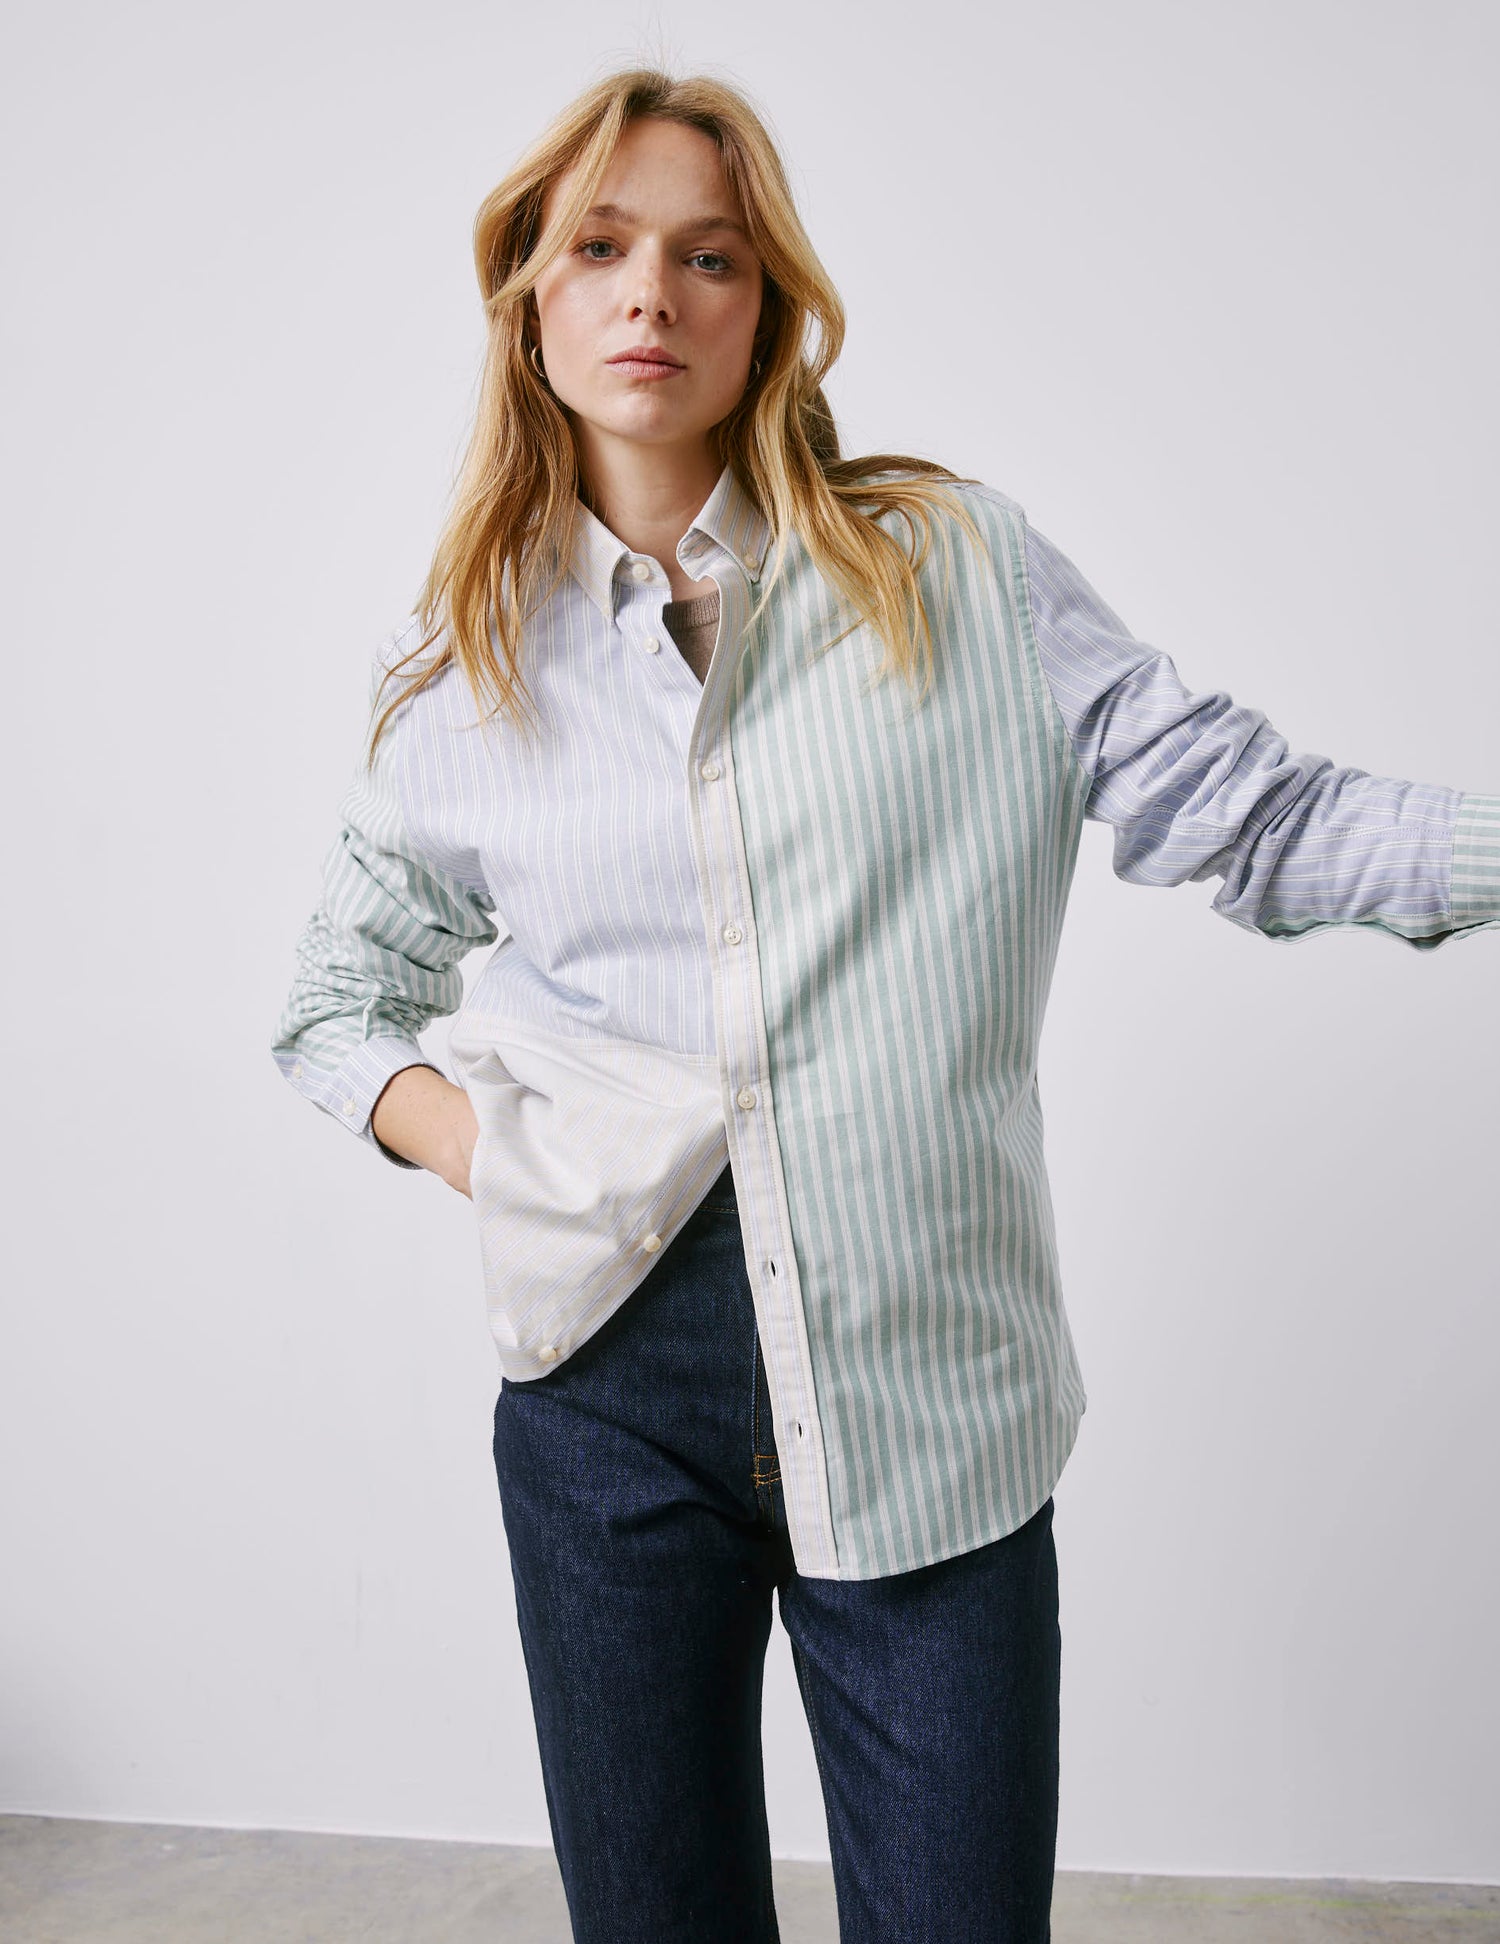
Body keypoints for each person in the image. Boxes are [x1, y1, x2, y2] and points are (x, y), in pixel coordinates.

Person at [270, 66, 1500, 1944]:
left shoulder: (960, 570)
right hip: (608, 1393)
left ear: (769, 306)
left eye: (709, 257)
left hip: (929, 1391)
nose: (651, 294)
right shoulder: (464, 667)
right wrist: (505, 1161)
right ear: (527, 294)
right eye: (599, 249)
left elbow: (1264, 820)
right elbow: (335, 1004)